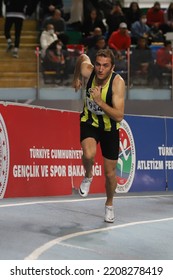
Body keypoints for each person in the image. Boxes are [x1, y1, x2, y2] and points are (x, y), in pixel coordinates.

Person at [72, 49, 125, 223]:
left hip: (110, 129)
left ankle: (109, 204)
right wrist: (76, 78)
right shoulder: (89, 70)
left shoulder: (117, 83)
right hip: (89, 122)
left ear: (112, 67)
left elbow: (118, 116)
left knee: (110, 175)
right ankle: (88, 176)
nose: (101, 69)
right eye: (98, 65)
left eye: (105, 66)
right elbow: (81, 58)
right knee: (88, 154)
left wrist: (100, 102)